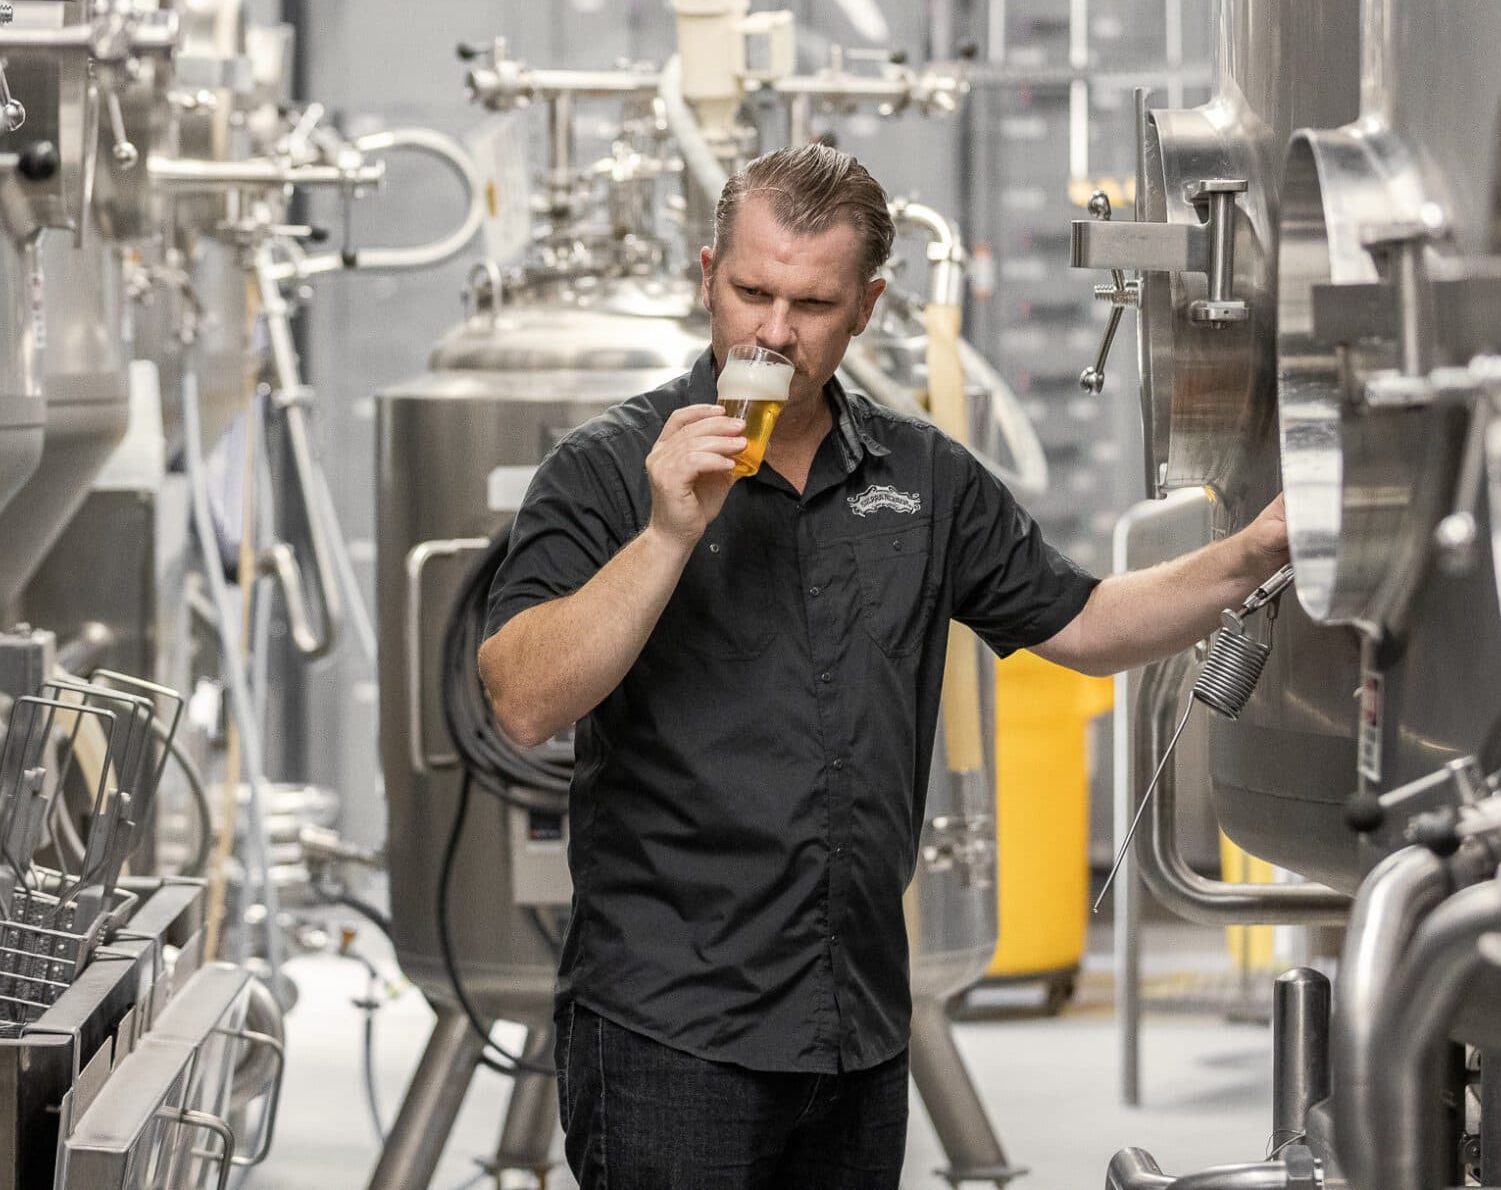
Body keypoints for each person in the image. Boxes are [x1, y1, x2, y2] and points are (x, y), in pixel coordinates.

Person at [479, 144, 1291, 1189]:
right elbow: (522, 700)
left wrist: (1254, 550)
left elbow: (1085, 622)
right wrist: (667, 536)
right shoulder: (605, 471)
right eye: (750, 292)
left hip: (853, 1025)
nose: (773, 332)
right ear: (704, 276)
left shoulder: (923, 478)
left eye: (811, 304)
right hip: (671, 1027)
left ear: (865, 308)